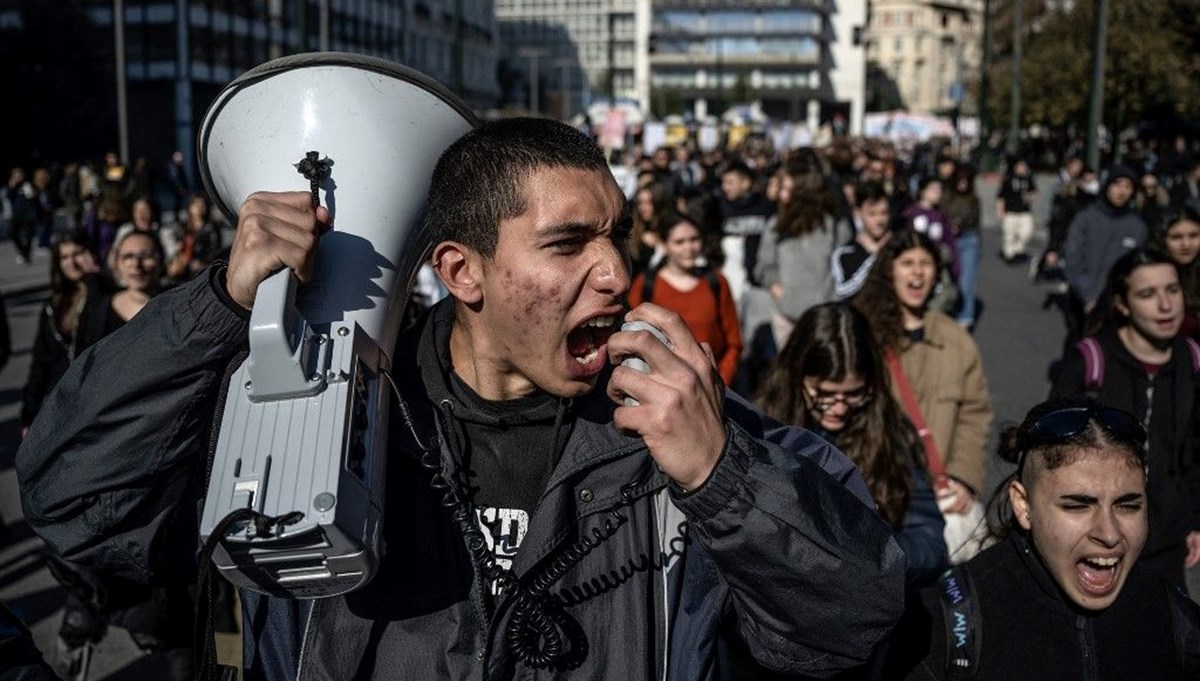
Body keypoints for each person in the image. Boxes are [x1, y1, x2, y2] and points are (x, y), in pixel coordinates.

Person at [18, 118, 905, 681]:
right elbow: (74, 498)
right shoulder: (327, 415)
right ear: (460, 271)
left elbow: (853, 617)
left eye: (618, 238)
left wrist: (724, 475)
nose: (618, 273)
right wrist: (221, 306)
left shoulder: (682, 422)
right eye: (569, 244)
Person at [895, 398, 1200, 680]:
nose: (1109, 534)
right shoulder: (949, 620)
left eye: (1128, 505)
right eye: (1078, 505)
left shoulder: (1170, 616)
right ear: (1023, 505)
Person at [756, 302, 947, 588]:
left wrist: (876, 556)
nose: (840, 408)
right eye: (825, 395)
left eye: (855, 394)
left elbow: (930, 543)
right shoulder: (761, 432)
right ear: (796, 378)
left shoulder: (892, 433)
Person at [1050, 248, 1200, 588]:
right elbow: (1051, 457)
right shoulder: (1091, 362)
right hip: (1096, 542)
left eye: (1172, 290)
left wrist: (1193, 519)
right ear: (1122, 303)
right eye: (1147, 294)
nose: (1165, 305)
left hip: (1166, 541)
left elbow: (1194, 449)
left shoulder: (1191, 360)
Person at [853, 230, 994, 527]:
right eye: (907, 263)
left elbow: (975, 415)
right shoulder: (863, 334)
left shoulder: (957, 339)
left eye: (926, 263)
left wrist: (963, 478)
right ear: (889, 269)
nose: (917, 273)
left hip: (937, 494)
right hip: (874, 492)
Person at [627, 210, 742, 385]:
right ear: (665, 245)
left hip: (714, 383)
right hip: (662, 386)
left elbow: (733, 341)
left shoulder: (716, 281)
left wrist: (721, 382)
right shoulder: (646, 285)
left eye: (694, 239)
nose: (688, 248)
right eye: (679, 242)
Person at [20, 230, 102, 436]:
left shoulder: (107, 298)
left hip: (98, 402)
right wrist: (29, 413)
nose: (71, 263)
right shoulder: (53, 305)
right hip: (62, 402)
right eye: (64, 257)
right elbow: (41, 361)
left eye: (78, 254)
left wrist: (94, 279)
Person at [754, 165, 845, 350]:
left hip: (824, 316)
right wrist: (774, 286)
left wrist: (834, 297)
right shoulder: (776, 225)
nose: (782, 194)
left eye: (788, 189)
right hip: (787, 316)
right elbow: (764, 265)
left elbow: (843, 262)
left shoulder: (831, 225)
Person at [1063, 164, 1147, 344]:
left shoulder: (1137, 225)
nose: (1122, 191)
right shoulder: (1086, 217)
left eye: (1128, 186)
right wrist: (1088, 294)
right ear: (1107, 185)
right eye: (1118, 184)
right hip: (1083, 299)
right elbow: (1072, 257)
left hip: (1119, 306)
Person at [832, 180, 891, 300]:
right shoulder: (844, 254)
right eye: (872, 214)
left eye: (883, 213)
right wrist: (875, 257)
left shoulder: (898, 248)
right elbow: (842, 290)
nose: (879, 221)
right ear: (858, 213)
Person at [941, 164, 982, 329]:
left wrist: (979, 244)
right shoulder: (946, 197)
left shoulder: (974, 199)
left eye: (966, 181)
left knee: (966, 282)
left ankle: (965, 319)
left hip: (968, 240)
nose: (963, 184)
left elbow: (977, 223)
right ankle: (946, 313)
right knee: (948, 280)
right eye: (960, 180)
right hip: (948, 241)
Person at [1155, 204, 1200, 339]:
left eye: (1193, 236)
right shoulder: (1150, 274)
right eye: (1176, 237)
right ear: (1163, 239)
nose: (1186, 244)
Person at [164, 193, 223, 282]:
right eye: (196, 204)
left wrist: (203, 262)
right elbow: (175, 246)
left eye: (202, 204)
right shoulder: (182, 227)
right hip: (183, 265)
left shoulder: (212, 228)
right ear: (190, 207)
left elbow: (215, 250)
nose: (199, 208)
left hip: (202, 266)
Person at [995, 157, 1037, 263]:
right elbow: (1000, 196)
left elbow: (1035, 191)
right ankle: (1009, 255)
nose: (1022, 168)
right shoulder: (1008, 180)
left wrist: (1030, 196)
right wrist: (1000, 211)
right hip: (1010, 211)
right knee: (1009, 234)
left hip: (1024, 211)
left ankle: (1018, 248)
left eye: (1024, 166)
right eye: (1020, 166)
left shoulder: (1029, 179)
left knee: (1027, 232)